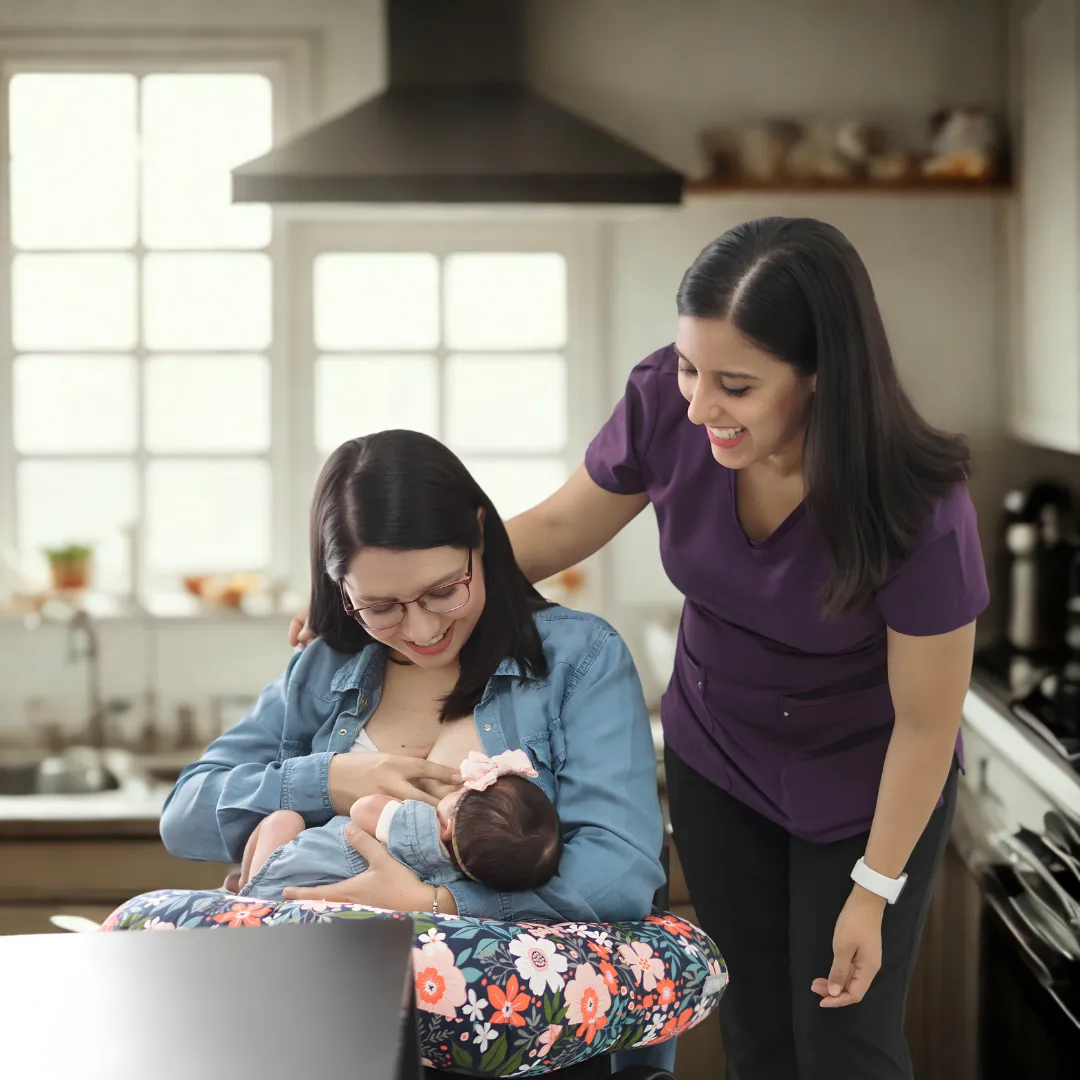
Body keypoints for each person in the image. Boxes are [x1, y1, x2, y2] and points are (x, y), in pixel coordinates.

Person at [291, 217, 989, 1080]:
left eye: (735, 384)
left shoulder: (919, 505)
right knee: (757, 1031)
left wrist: (874, 890)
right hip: (721, 759)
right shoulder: (668, 404)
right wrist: (392, 597)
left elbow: (927, 725)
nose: (698, 406)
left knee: (845, 1039)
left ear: (821, 374)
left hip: (866, 782)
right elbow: (557, 528)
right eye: (690, 368)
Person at [161, 428, 664, 935]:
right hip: (317, 971)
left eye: (443, 591)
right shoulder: (323, 668)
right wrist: (328, 781)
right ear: (341, 589)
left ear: (479, 534)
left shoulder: (578, 658)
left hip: (491, 982)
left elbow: (620, 870)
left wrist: (437, 903)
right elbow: (184, 816)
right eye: (380, 606)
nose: (422, 631)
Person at [227, 749, 563, 901]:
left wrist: (402, 803)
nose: (457, 789)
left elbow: (363, 808)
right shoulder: (458, 874)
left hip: (289, 873)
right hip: (311, 890)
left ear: (448, 826)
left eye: (462, 795)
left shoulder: (419, 827)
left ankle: (248, 886)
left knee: (283, 820)